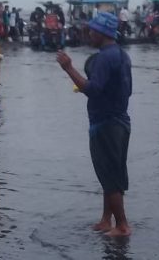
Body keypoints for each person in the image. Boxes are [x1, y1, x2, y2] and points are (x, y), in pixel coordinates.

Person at [55, 12, 133, 237]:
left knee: (109, 175)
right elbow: (122, 89)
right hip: (120, 120)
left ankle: (122, 225)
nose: (88, 34)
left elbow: (93, 90)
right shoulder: (122, 55)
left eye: (91, 31)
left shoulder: (104, 58)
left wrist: (69, 68)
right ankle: (106, 219)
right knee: (111, 173)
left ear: (101, 33)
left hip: (106, 123)